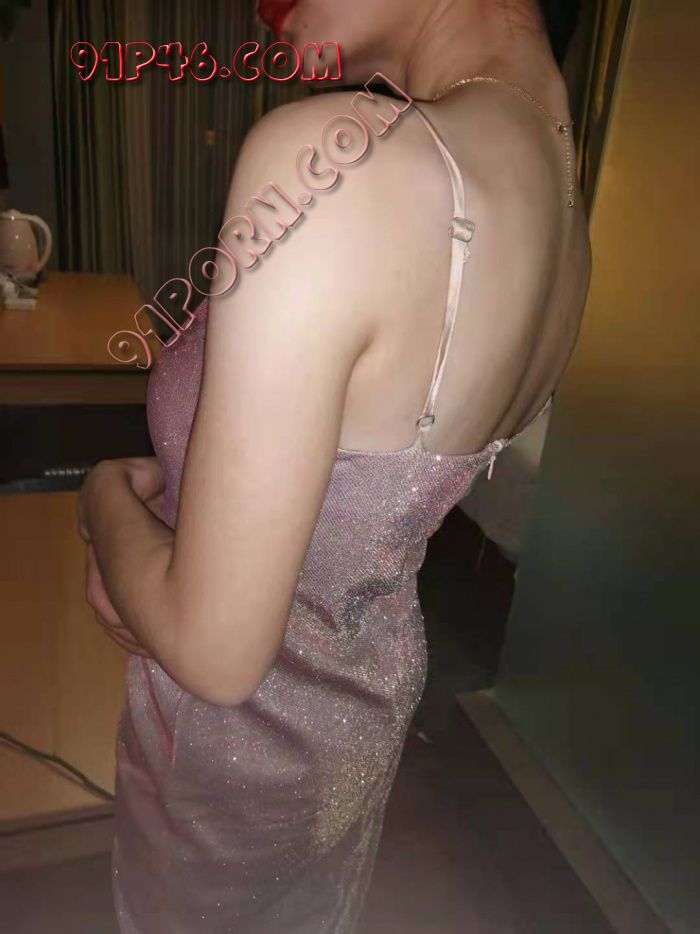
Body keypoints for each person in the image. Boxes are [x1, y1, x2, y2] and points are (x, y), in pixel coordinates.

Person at [78, 0, 592, 930]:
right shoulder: (561, 205)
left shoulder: (345, 164)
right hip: (351, 719)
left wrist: (104, 501)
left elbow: (214, 650)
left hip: (233, 759)